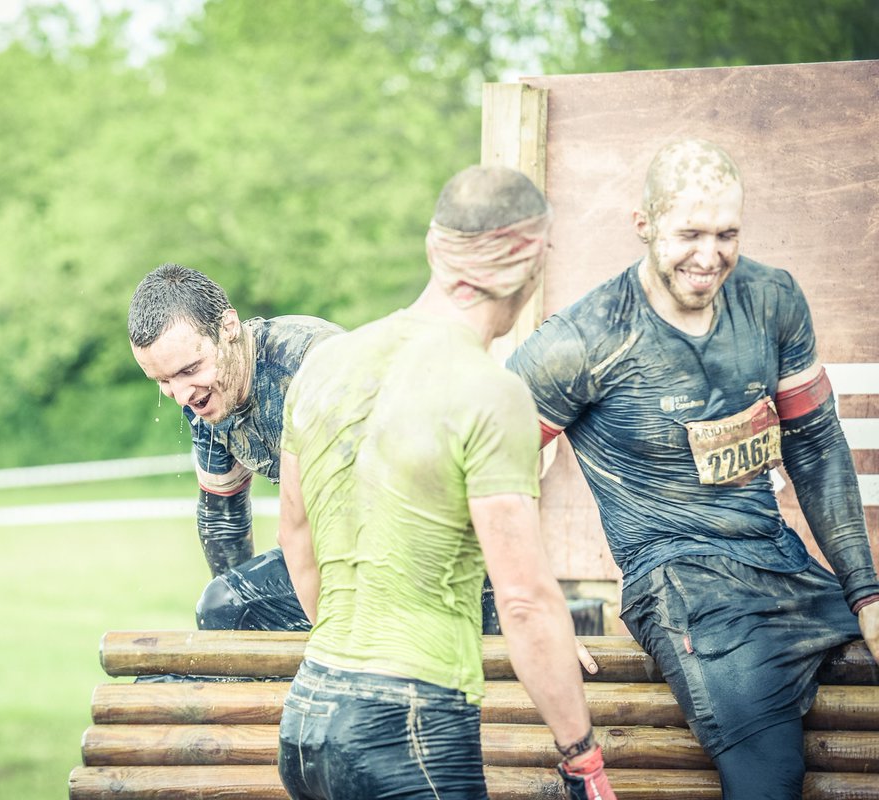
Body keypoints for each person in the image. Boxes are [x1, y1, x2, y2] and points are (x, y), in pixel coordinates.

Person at [506, 138, 879, 799]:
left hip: (782, 565)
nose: (710, 257)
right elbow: (483, 472)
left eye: (726, 233)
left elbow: (816, 449)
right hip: (680, 587)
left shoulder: (772, 300)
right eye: (690, 234)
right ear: (644, 224)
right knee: (770, 780)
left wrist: (867, 594)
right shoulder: (582, 340)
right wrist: (533, 614)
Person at [277, 165, 617, 800]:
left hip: (309, 715)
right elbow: (524, 601)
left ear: (437, 247)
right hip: (408, 726)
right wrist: (582, 759)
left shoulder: (324, 365)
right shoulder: (492, 392)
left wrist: (352, 676)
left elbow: (297, 545)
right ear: (532, 260)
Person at [128, 263, 343, 631]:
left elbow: (302, 531)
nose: (181, 395)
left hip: (417, 548)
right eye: (162, 380)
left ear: (228, 328)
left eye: (189, 370)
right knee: (225, 606)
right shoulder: (209, 394)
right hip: (335, 547)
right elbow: (221, 520)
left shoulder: (314, 364)